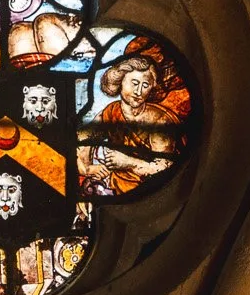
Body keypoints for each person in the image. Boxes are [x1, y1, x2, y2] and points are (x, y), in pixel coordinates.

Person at [80, 45, 190, 197]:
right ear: (120, 82)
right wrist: (88, 168)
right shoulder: (112, 111)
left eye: (145, 85)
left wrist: (127, 162)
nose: (139, 92)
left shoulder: (159, 121)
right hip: (114, 186)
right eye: (135, 83)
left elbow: (165, 166)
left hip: (149, 192)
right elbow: (83, 139)